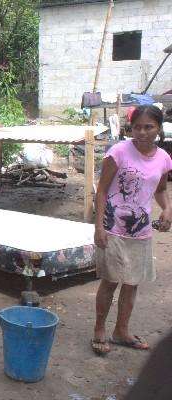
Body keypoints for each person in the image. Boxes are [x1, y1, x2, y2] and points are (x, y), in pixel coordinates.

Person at [92, 105, 172, 356]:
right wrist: (99, 226)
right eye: (137, 127)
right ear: (130, 128)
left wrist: (167, 208)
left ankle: (121, 331)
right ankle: (99, 330)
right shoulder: (118, 153)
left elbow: (159, 190)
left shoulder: (164, 158)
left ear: (159, 129)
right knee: (110, 282)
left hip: (141, 231)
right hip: (113, 228)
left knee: (132, 284)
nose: (142, 132)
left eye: (149, 127)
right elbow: (102, 190)